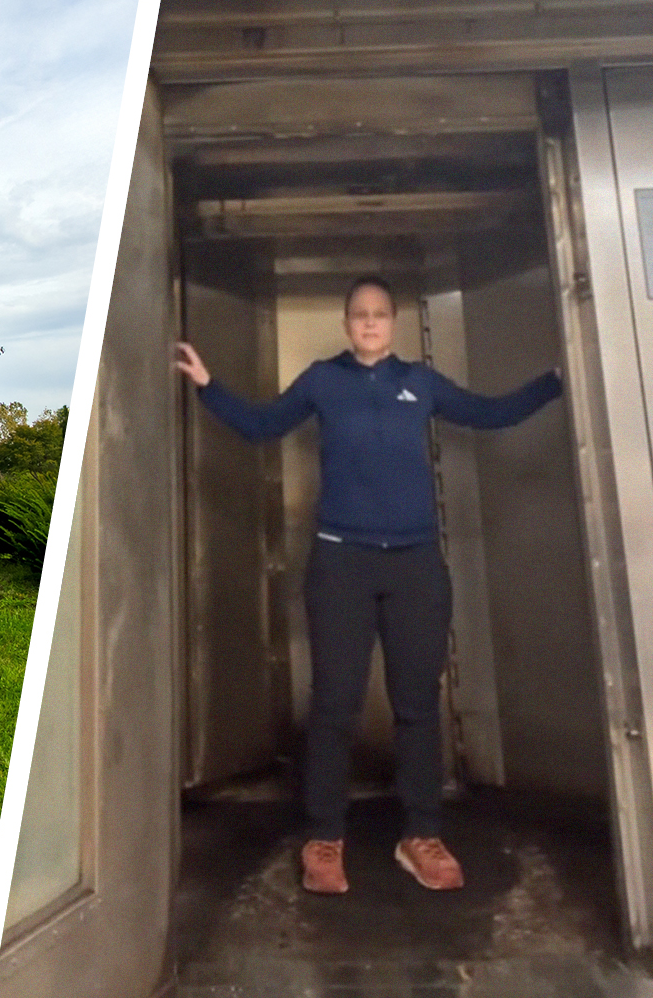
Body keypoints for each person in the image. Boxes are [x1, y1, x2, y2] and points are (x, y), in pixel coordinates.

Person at [174, 275, 562, 896]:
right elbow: (260, 425)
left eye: (381, 314)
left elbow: (490, 413)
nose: (371, 323)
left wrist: (556, 381)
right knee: (333, 705)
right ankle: (325, 838)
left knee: (416, 704)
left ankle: (421, 834)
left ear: (395, 322)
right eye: (360, 314)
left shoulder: (423, 383)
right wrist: (207, 385)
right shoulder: (323, 381)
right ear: (347, 323)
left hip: (415, 567)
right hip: (341, 563)